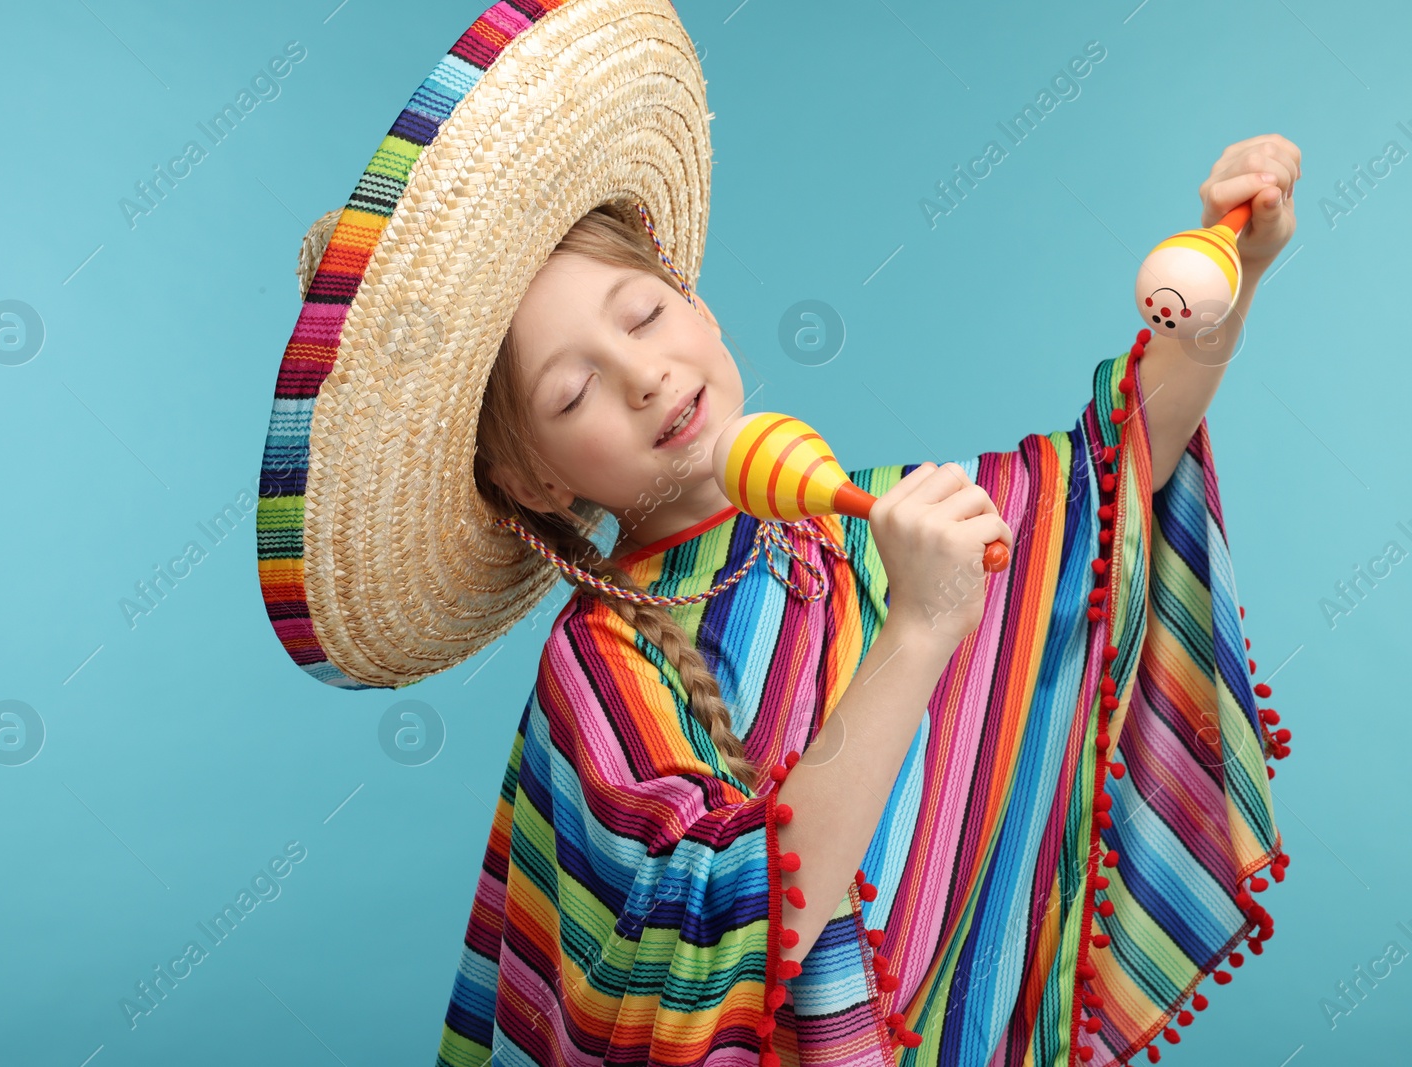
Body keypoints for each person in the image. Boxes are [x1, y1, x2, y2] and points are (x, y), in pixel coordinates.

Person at [253, 3, 1298, 1063]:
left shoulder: (858, 524)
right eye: (573, 394)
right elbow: (724, 936)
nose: (644, 374)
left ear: (693, 300)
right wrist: (919, 631)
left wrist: (1233, 276)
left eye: (643, 315)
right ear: (532, 477)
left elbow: (1110, 479)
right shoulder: (601, 668)